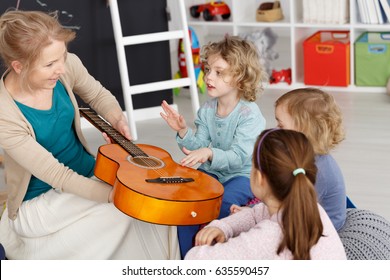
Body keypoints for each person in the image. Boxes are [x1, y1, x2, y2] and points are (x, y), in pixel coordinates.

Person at [0, 9, 179, 260]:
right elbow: (57, 174)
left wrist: (116, 117)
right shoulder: (4, 113)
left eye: (62, 56)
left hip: (91, 173)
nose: (61, 68)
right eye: (50, 64)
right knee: (129, 210)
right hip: (40, 201)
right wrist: (113, 195)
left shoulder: (64, 66)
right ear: (19, 66)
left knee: (154, 200)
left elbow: (96, 94)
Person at [160, 35, 267, 258]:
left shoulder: (250, 115)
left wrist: (208, 153)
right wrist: (182, 130)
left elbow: (238, 156)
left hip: (242, 175)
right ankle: (189, 258)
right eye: (208, 70)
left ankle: (220, 256)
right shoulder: (207, 109)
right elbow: (197, 146)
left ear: (240, 78)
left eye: (219, 72)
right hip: (213, 173)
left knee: (223, 202)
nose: (209, 77)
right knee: (187, 201)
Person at [185, 128, 347, 260]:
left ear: (260, 178)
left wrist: (206, 243)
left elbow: (193, 261)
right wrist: (224, 226)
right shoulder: (312, 208)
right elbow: (257, 213)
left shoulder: (266, 238)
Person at [274, 88, 346, 231]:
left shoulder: (319, 172)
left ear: (305, 132)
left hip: (321, 230)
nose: (276, 130)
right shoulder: (300, 155)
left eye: (281, 126)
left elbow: (295, 213)